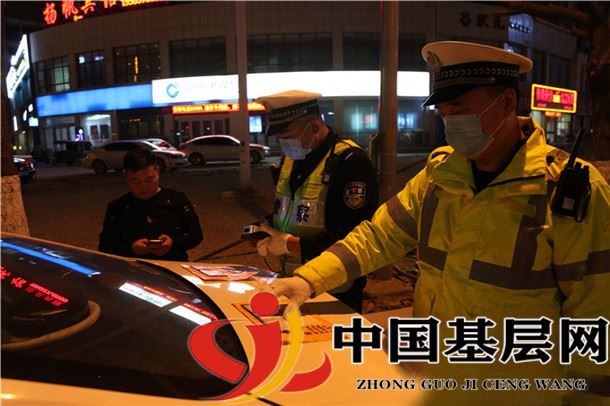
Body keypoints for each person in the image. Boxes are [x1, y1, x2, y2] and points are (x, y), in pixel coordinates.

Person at [269, 42, 610, 403]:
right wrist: (309, 279)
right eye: (444, 114)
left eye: (459, 111)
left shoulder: (568, 190)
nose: (451, 124)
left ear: (508, 103)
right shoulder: (440, 175)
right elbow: (378, 237)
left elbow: (595, 313)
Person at [254, 90, 379, 313]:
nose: (283, 141)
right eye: (279, 136)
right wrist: (264, 229)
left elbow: (355, 234)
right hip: (290, 283)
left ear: (313, 127)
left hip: (336, 290)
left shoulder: (350, 161)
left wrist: (291, 244)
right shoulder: (290, 160)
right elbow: (287, 209)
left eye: (287, 134)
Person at [99, 148, 203, 261]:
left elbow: (196, 235)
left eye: (149, 179)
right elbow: (105, 247)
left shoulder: (176, 199)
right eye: (136, 181)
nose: (144, 187)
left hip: (172, 263)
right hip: (134, 267)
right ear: (126, 176)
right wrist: (132, 249)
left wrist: (173, 243)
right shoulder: (118, 207)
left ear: (157, 171)